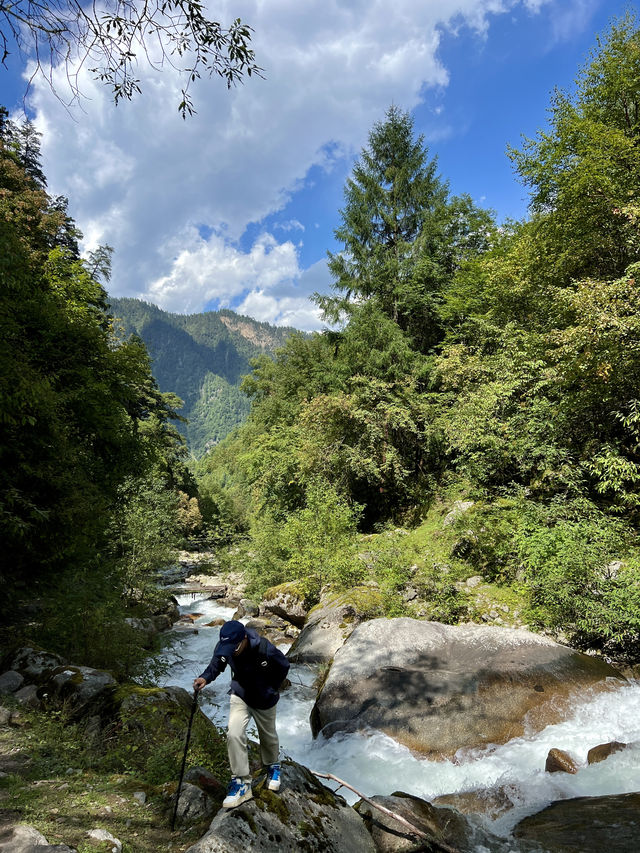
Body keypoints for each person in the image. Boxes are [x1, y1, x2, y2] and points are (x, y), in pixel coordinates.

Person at [193, 620, 290, 808]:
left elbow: (283, 666)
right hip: (240, 695)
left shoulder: (264, 648)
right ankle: (242, 783)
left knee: (268, 736)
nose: (233, 651)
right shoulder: (226, 647)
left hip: (264, 699)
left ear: (244, 638)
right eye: (229, 647)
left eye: (235, 646)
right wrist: (205, 677)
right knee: (234, 734)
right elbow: (217, 664)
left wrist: (272, 687)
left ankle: (272, 766)